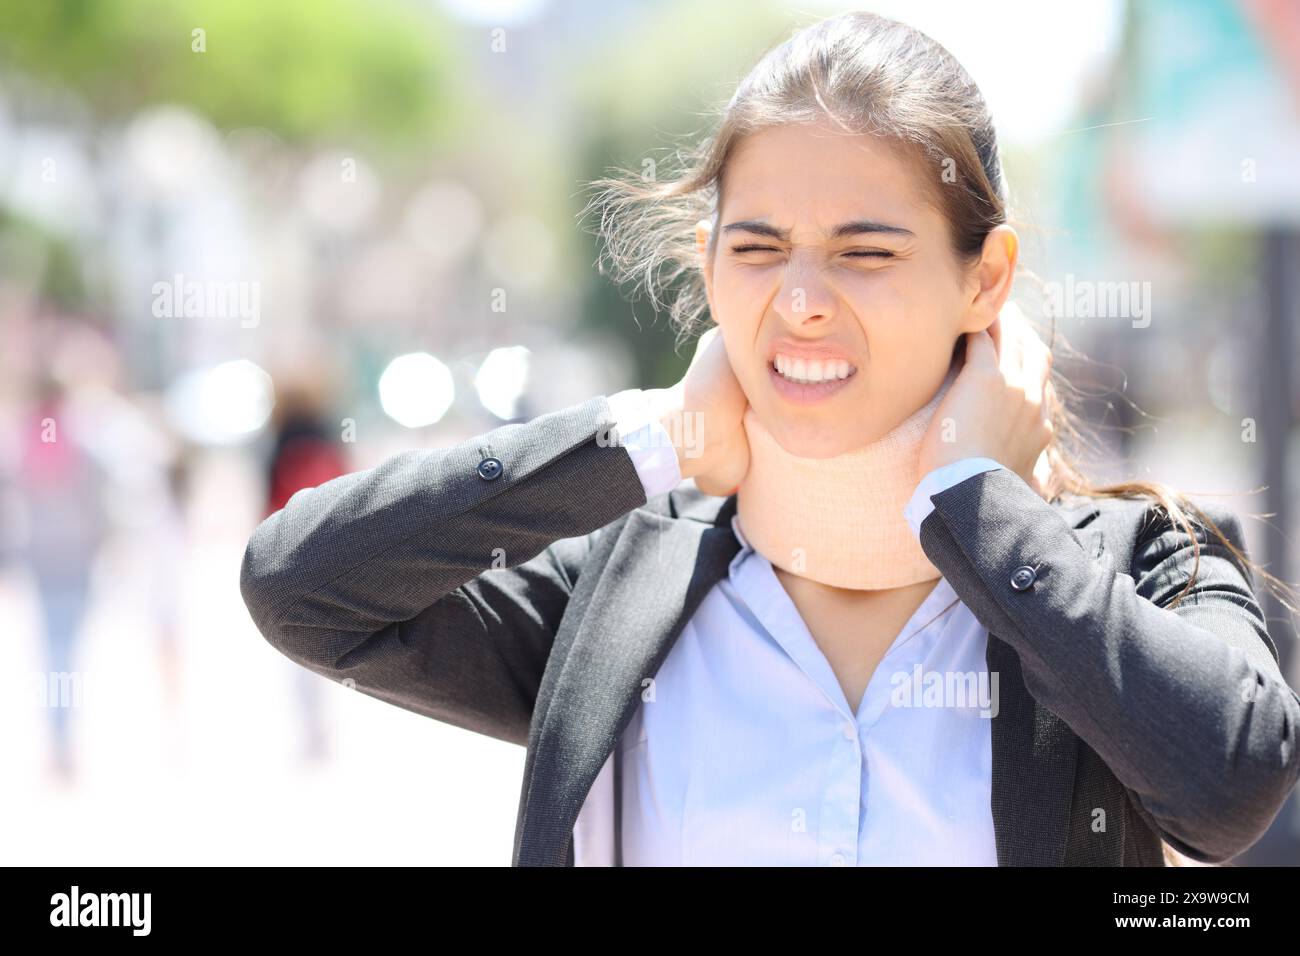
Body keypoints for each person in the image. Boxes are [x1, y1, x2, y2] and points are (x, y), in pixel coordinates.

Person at [240, 11, 1300, 866]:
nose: (798, 300)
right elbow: (302, 586)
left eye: (864, 252)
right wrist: (651, 437)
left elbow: (1227, 788)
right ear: (709, 270)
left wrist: (980, 503)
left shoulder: (1139, 564)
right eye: (757, 248)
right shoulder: (618, 595)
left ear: (984, 279)